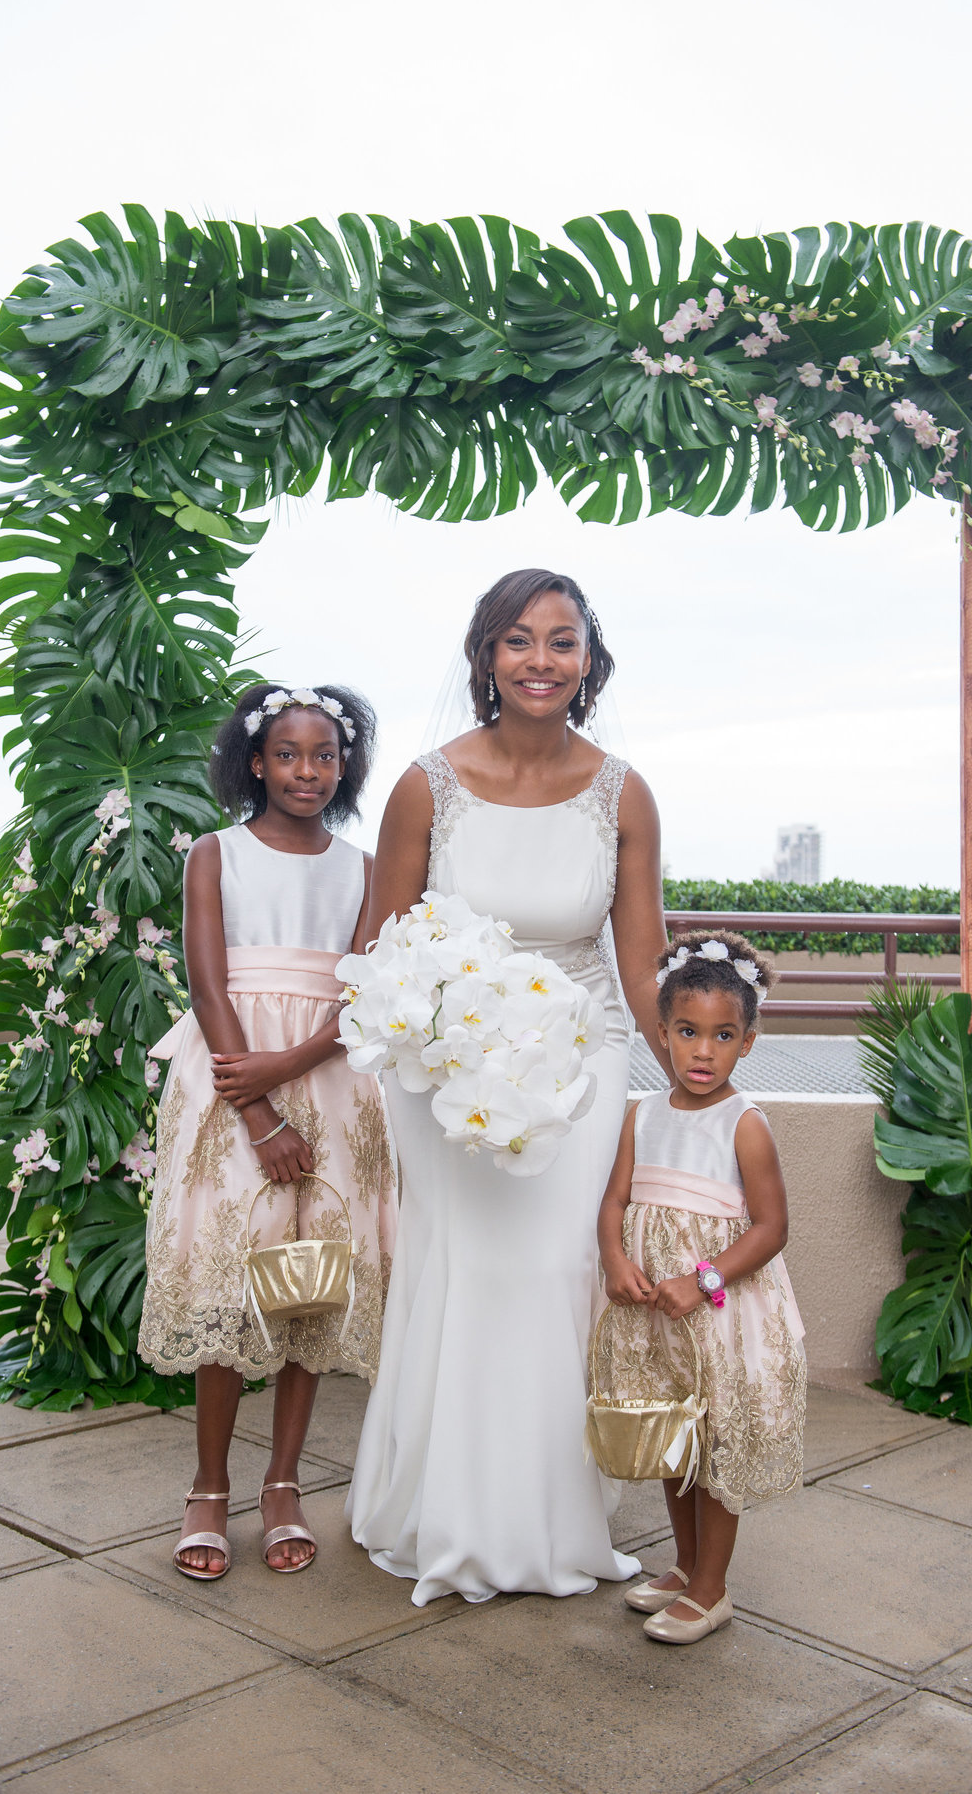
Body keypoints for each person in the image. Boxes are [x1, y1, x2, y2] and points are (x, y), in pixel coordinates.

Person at [347, 568, 669, 1606]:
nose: (542, 660)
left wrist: (700, 1077)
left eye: (562, 641)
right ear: (486, 655)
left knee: (552, 1278)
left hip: (583, 1059)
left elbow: (643, 957)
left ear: (589, 657)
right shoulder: (424, 785)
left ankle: (545, 1524)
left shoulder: (625, 791)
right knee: (466, 1276)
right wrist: (429, 1035)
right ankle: (441, 1511)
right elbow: (377, 946)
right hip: (450, 1074)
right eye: (520, 640)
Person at [138, 683, 396, 1581]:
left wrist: (291, 1074)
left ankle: (282, 1484)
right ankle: (208, 1487)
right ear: (255, 761)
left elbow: (365, 990)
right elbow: (209, 987)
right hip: (230, 1078)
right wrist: (257, 1108)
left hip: (330, 1081)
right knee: (227, 1278)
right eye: (287, 754)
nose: (307, 772)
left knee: (308, 1289)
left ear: (344, 766)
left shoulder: (362, 867)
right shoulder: (216, 855)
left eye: (324, 756)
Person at [596, 930, 806, 1644]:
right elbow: (615, 1201)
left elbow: (772, 1227)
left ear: (747, 1041)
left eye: (722, 1035)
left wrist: (703, 1279)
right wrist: (614, 1259)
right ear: (662, 1033)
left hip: (719, 1313)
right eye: (688, 1032)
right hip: (658, 1311)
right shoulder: (643, 1115)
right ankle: (686, 1567)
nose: (703, 1052)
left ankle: (713, 1590)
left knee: (715, 1443)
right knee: (673, 1437)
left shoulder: (744, 1126)